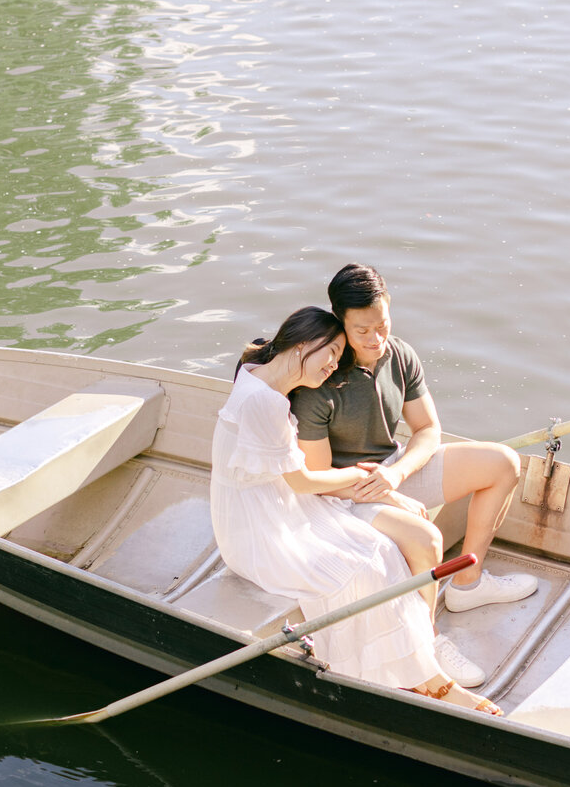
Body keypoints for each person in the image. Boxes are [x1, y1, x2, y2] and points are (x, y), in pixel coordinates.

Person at [210, 305, 501, 713]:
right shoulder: (265, 402)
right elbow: (303, 481)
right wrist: (363, 474)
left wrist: (377, 482)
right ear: (301, 346)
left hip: (273, 506)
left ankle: (418, 665)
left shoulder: (258, 376)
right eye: (329, 353)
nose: (334, 365)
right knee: (361, 570)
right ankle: (429, 680)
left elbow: (295, 479)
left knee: (380, 553)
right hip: (259, 526)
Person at [290, 264, 538, 687]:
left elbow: (427, 430)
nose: (376, 339)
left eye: (383, 324)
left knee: (503, 463)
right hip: (343, 493)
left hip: (392, 469)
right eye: (362, 330)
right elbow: (318, 475)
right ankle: (428, 643)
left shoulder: (399, 354)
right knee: (427, 540)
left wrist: (398, 474)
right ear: (340, 322)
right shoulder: (320, 378)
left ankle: (467, 585)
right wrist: (386, 493)